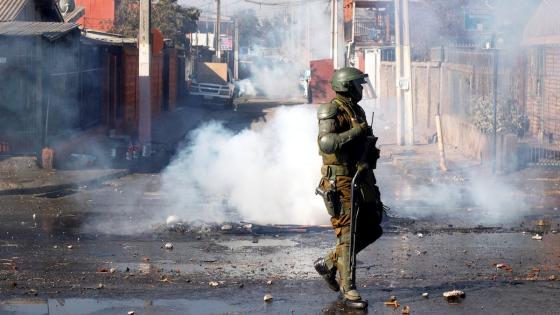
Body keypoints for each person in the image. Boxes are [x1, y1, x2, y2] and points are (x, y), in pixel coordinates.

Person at [314, 67, 384, 309]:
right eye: (358, 84)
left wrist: (369, 151)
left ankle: (330, 263)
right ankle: (348, 288)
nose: (361, 88)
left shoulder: (358, 110)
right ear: (347, 86)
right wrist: (357, 132)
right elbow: (327, 142)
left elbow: (364, 141)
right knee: (347, 235)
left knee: (373, 228)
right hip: (340, 180)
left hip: (360, 177)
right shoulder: (330, 109)